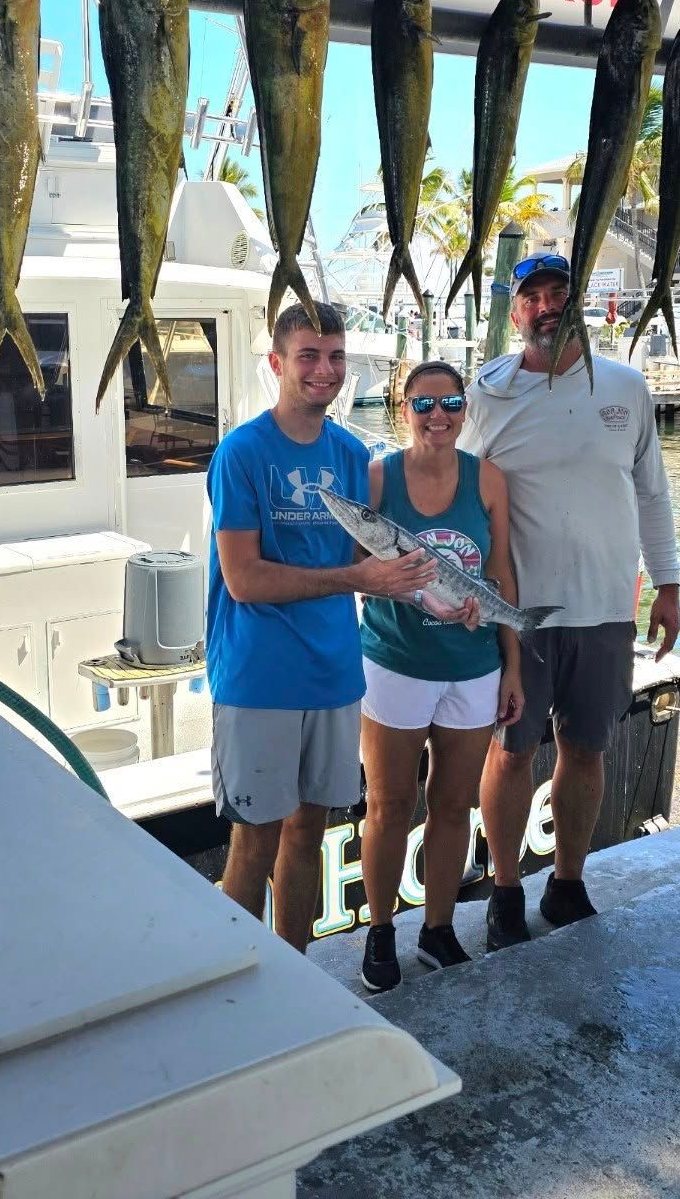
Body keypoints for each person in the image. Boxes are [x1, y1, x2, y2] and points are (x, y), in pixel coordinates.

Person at [459, 252, 680, 950]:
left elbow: (652, 490)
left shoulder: (625, 386)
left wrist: (668, 584)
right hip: (520, 618)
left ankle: (568, 882)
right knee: (512, 753)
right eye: (535, 296)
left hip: (607, 608)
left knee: (587, 750)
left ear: (581, 303)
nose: (548, 305)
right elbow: (463, 493)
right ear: (516, 309)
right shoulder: (487, 392)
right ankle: (502, 888)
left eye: (561, 292)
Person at [207, 303, 435, 952]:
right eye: (308, 355)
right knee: (255, 840)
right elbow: (245, 578)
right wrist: (353, 581)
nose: (324, 370)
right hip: (259, 677)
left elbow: (366, 560)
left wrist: (441, 594)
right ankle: (241, 978)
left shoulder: (351, 453)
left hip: (334, 675)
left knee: (309, 833)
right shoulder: (242, 453)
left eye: (334, 356)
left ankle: (295, 973)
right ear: (277, 363)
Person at [356, 360, 523, 993]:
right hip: (395, 664)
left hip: (473, 668)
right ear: (404, 409)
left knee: (453, 804)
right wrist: (388, 582)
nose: (438, 416)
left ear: (464, 410)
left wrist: (512, 665)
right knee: (389, 803)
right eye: (424, 405)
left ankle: (439, 927)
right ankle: (380, 931)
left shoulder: (489, 481)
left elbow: (501, 573)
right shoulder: (378, 479)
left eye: (451, 403)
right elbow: (355, 567)